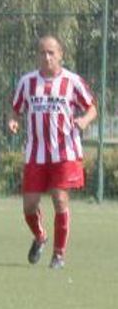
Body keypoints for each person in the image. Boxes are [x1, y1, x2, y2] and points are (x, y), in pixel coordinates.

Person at [7, 35, 96, 269]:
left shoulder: (72, 81)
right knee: (29, 205)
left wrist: (84, 121)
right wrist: (13, 121)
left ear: (60, 55)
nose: (46, 57)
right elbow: (15, 109)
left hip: (64, 153)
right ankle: (40, 236)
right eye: (42, 53)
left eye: (51, 53)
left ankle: (58, 255)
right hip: (35, 153)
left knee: (60, 199)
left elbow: (92, 108)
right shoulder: (27, 82)